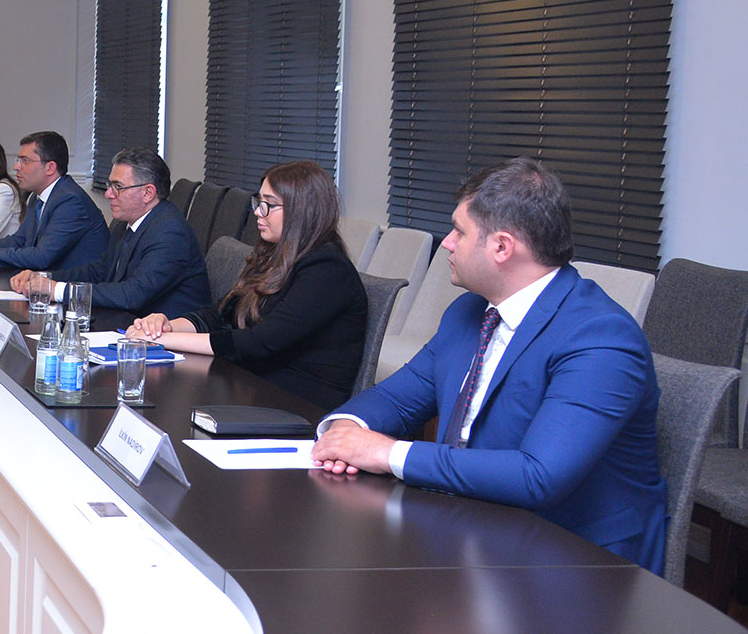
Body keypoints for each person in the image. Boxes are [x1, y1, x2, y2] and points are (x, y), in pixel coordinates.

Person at [312, 158, 667, 575]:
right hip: (473, 527)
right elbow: (397, 398)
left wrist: (385, 451)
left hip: (576, 563)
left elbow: (539, 476)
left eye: (459, 231)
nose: (447, 243)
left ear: (502, 247)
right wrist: (346, 430)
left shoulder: (600, 337)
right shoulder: (470, 311)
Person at [126, 160, 365, 408]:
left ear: (302, 211)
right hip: (250, 385)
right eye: (258, 202)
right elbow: (220, 314)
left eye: (269, 205)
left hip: (294, 405)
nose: (258, 212)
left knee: (163, 399)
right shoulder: (274, 254)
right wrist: (164, 326)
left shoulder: (328, 270)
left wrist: (163, 340)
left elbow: (259, 342)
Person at [14, 148, 208, 328]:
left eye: (118, 187)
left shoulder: (169, 232)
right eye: (110, 185)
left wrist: (57, 290)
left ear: (148, 193)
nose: (108, 194)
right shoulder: (128, 221)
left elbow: (132, 295)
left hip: (166, 340)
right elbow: (99, 271)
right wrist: (44, 278)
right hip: (129, 325)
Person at [0, 131, 107, 273]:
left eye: (24, 161)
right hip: (45, 281)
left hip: (77, 288)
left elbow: (42, 256)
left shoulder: (70, 200)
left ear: (50, 168)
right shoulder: (36, 196)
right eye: (18, 160)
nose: (16, 167)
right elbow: (20, 240)